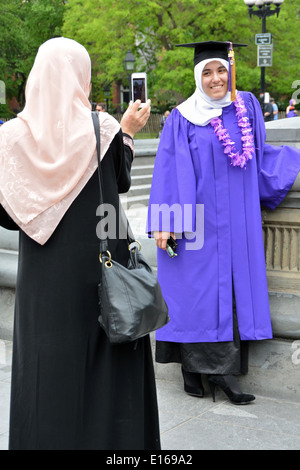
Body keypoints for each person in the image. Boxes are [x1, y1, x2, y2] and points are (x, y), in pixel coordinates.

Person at [0, 37, 160, 450]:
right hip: (100, 268)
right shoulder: (101, 128)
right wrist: (127, 133)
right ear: (80, 77)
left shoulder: (11, 138)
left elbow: (5, 215)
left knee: (46, 367)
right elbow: (119, 183)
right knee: (105, 366)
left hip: (43, 279)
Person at [147, 40, 300, 405]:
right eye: (207, 72)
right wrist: (165, 223)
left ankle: (218, 374)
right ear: (197, 77)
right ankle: (197, 369)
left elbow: (259, 155)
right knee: (195, 292)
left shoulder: (245, 107)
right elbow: (168, 169)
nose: (216, 79)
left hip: (238, 220)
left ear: (229, 71)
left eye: (220, 70)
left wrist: (289, 163)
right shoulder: (182, 118)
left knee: (229, 290)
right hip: (197, 222)